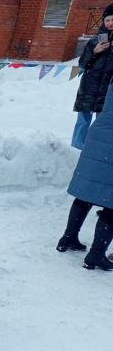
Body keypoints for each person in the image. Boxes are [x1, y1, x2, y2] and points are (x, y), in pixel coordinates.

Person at [57, 81, 113, 270]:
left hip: (100, 133)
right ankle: (96, 255)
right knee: (111, 203)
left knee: (86, 192)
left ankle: (68, 237)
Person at [71, 3, 113, 150]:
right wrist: (94, 51)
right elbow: (82, 63)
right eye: (107, 20)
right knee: (83, 119)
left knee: (101, 122)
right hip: (89, 87)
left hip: (107, 90)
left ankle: (94, 149)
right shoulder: (94, 41)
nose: (110, 23)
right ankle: (76, 148)